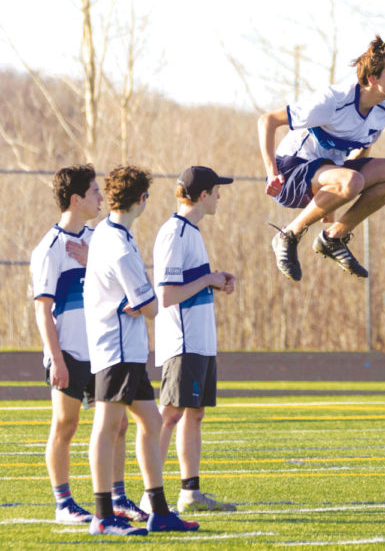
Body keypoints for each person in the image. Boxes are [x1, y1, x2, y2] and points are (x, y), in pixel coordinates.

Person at [84, 165, 200, 536]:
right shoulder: (118, 243)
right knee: (106, 427)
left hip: (125, 348)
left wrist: (139, 301)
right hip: (116, 348)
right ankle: (103, 515)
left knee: (150, 422)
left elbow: (141, 300)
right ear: (141, 200)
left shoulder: (111, 232)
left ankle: (159, 510)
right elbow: (151, 306)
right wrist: (141, 302)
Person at [30, 163, 147, 525]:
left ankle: (118, 497)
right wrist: (56, 359)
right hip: (68, 352)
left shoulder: (101, 239)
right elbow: (43, 311)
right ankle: (64, 503)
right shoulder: (49, 248)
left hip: (104, 351)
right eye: (94, 192)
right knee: (66, 424)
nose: (101, 197)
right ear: (76, 198)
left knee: (118, 426)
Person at [258, 35, 385, 281]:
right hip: (292, 172)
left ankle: (334, 238)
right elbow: (267, 121)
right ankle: (289, 235)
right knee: (352, 181)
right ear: (372, 78)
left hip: (331, 172)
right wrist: (271, 172)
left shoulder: (382, 110)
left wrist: (335, 197)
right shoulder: (333, 101)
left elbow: (363, 149)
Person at [150, 165, 237, 513]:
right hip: (182, 342)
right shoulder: (175, 232)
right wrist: (208, 280)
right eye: (217, 190)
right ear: (203, 195)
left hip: (200, 341)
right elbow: (167, 295)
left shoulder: (192, 232)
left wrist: (215, 279)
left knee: (193, 414)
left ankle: (190, 493)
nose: (220, 196)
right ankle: (150, 493)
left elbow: (191, 284)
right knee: (170, 413)